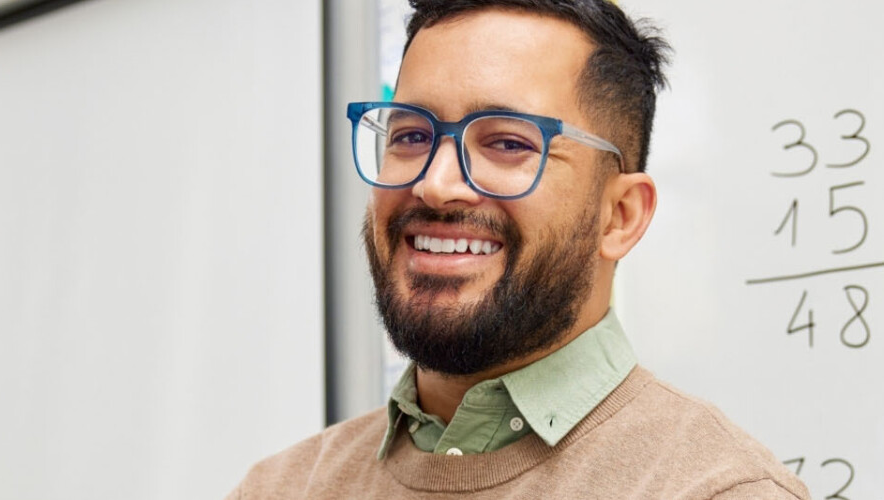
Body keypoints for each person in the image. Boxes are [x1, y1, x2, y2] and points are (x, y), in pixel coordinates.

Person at [230, 1, 809, 498]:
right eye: (410, 136)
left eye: (507, 143)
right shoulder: (280, 488)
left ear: (620, 216)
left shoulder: (716, 491)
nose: (435, 184)